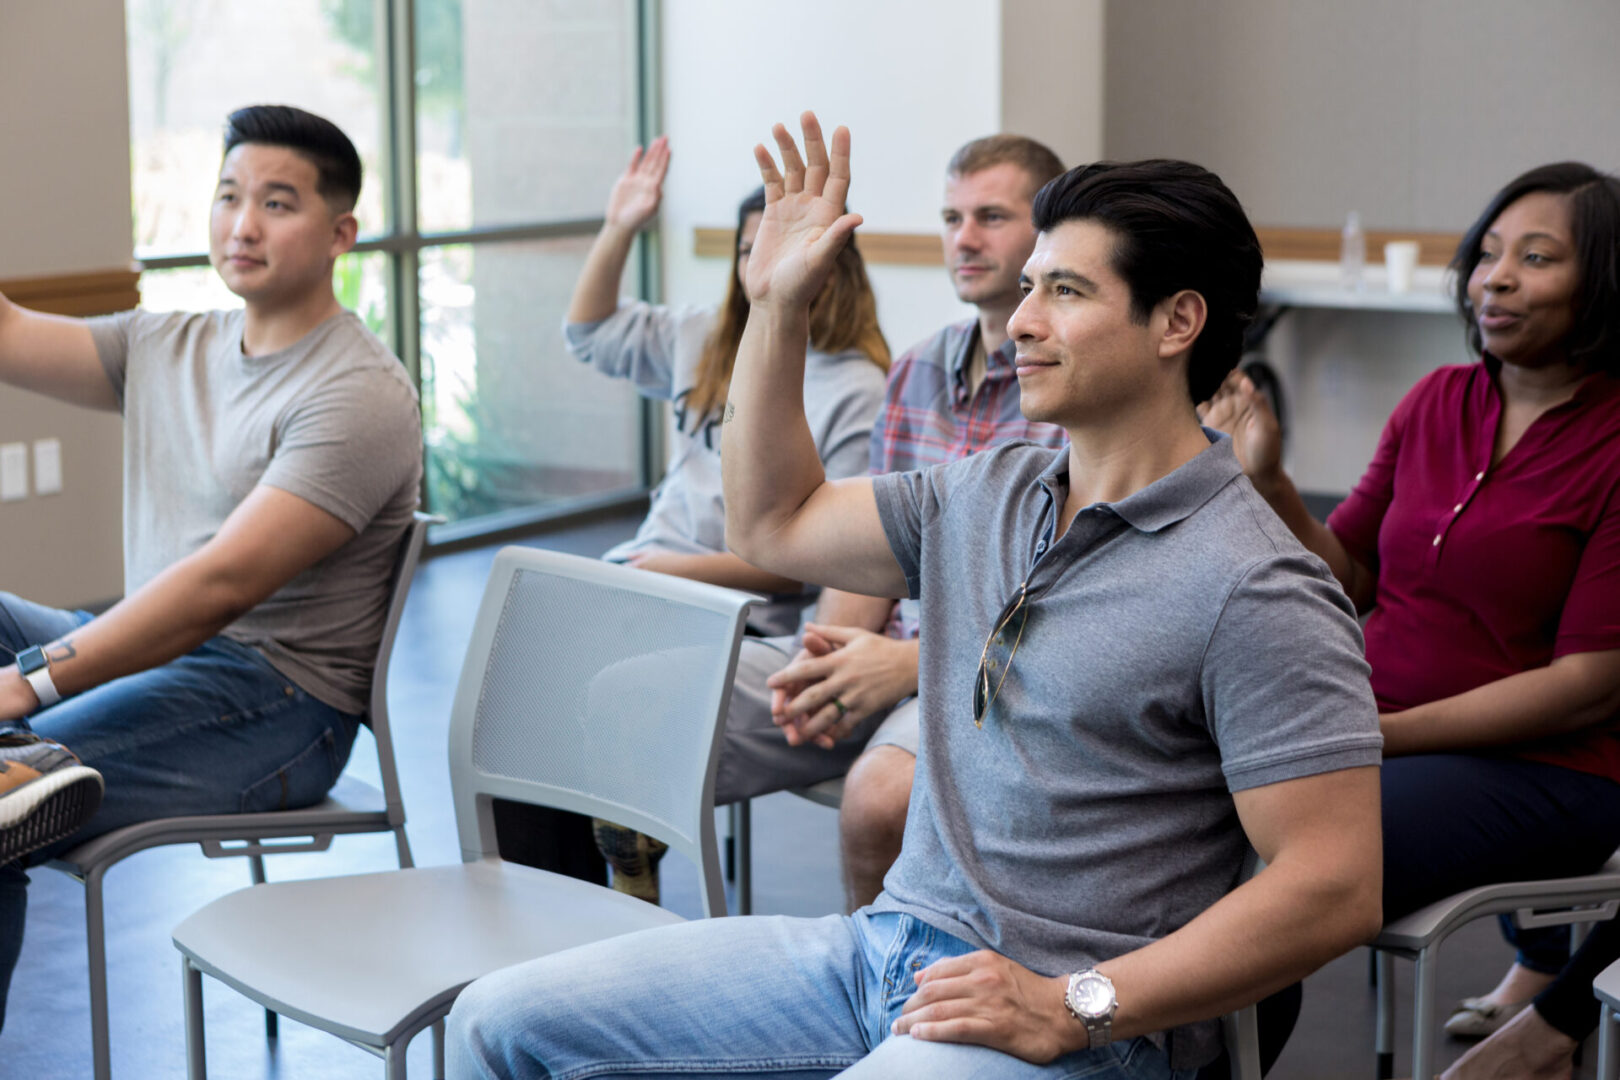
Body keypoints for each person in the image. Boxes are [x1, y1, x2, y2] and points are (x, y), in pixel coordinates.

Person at [445, 113, 1384, 1079]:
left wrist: (1077, 1006)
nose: (1020, 321)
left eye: (1065, 291)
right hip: (876, 956)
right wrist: (775, 310)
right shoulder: (991, 488)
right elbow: (775, 524)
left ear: (1176, 324)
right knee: (496, 1021)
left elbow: (1334, 885)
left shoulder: (1258, 584)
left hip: (1062, 1012)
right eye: (1029, 289)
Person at [0, 104, 422, 1030]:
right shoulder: (169, 344)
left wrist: (29, 683)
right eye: (229, 196)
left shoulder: (359, 397)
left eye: (277, 203)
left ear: (340, 232)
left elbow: (219, 589)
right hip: (162, 659)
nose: (242, 224)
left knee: (2, 798)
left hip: (274, 706)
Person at [1202, 161, 1620, 1057]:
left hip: (1551, 768)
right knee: (1189, 836)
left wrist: (1383, 733)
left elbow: (1591, 686)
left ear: (1606, 283)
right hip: (1378, 731)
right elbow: (1347, 574)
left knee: (1282, 875)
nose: (1495, 277)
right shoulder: (1436, 400)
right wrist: (1270, 479)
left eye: (1536, 257)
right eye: (1488, 254)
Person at [736, 133, 1068, 911]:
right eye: (952, 217)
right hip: (885, 654)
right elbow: (864, 550)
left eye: (991, 216)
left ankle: (870, 1006)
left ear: (1045, 237)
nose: (965, 237)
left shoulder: (1070, 385)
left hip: (987, 677)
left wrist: (910, 664)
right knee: (622, 704)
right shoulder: (918, 368)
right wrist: (828, 654)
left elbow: (1061, 613)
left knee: (880, 800)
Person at [561, 135, 891, 900]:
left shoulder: (854, 388)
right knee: (526, 688)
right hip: (646, 582)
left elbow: (814, 553)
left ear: (833, 260)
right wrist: (621, 226)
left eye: (784, 246)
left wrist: (672, 571)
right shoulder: (703, 339)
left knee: (574, 685)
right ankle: (568, 902)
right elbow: (588, 332)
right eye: (749, 250)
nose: (761, 266)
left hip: (738, 606)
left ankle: (621, 885)